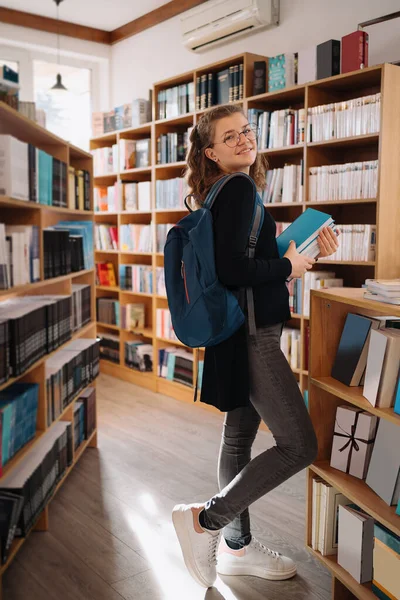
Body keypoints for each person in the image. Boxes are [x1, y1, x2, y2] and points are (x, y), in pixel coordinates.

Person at [172, 104, 339, 589]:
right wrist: (289, 267)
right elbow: (233, 271)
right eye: (230, 137)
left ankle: (236, 548)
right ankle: (207, 519)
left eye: (246, 131)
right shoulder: (240, 188)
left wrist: (297, 250)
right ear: (210, 152)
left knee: (239, 438)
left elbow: (243, 261)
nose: (244, 139)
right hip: (252, 334)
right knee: (299, 445)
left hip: (234, 328)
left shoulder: (220, 192)